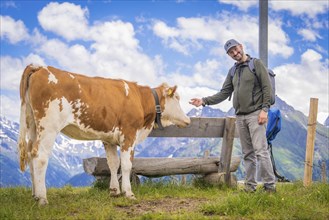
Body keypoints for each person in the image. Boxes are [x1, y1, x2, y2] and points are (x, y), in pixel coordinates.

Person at [189, 39, 276, 193]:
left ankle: (270, 187)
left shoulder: (256, 64)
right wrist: (203, 101)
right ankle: (250, 187)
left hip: (256, 114)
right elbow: (224, 93)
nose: (235, 53)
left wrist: (265, 110)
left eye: (236, 49)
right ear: (229, 55)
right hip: (240, 117)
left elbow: (266, 87)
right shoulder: (233, 71)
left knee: (261, 151)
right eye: (231, 52)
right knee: (248, 153)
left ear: (241, 47)